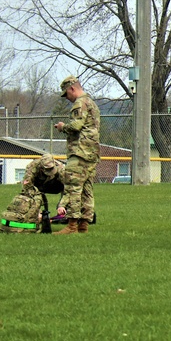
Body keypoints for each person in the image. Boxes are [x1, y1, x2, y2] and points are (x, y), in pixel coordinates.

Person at [53, 75, 101, 235]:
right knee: (87, 190)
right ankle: (84, 226)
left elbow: (76, 125)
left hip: (80, 152)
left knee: (73, 187)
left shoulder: (79, 103)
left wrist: (62, 127)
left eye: (67, 94)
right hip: (92, 153)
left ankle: (72, 225)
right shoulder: (92, 103)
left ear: (72, 88)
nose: (67, 98)